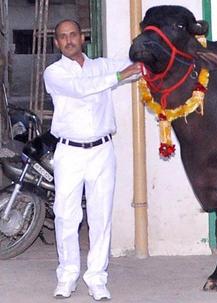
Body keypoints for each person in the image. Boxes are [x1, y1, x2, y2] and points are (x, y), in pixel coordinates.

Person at [43, 19, 142, 300]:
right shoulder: (54, 73)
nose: (68, 40)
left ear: (82, 37)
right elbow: (83, 88)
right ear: (56, 43)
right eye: (62, 37)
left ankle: (97, 278)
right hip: (69, 152)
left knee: (100, 216)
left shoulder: (102, 65)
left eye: (73, 34)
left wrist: (147, 56)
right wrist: (121, 76)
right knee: (66, 216)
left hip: (102, 151)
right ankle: (68, 275)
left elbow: (135, 67)